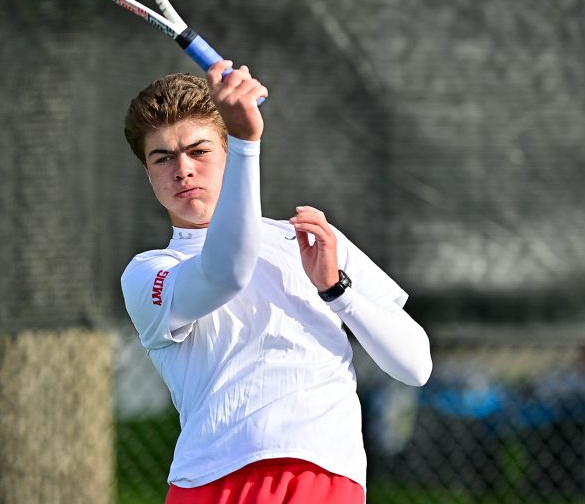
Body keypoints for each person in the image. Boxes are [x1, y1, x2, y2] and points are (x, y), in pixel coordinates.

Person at [120, 62, 432, 504]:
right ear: (148, 172)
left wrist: (336, 291)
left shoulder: (308, 239)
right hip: (210, 483)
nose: (183, 169)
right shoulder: (148, 272)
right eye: (163, 158)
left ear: (225, 151)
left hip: (322, 475)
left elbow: (416, 364)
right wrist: (248, 142)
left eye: (199, 150)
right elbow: (227, 272)